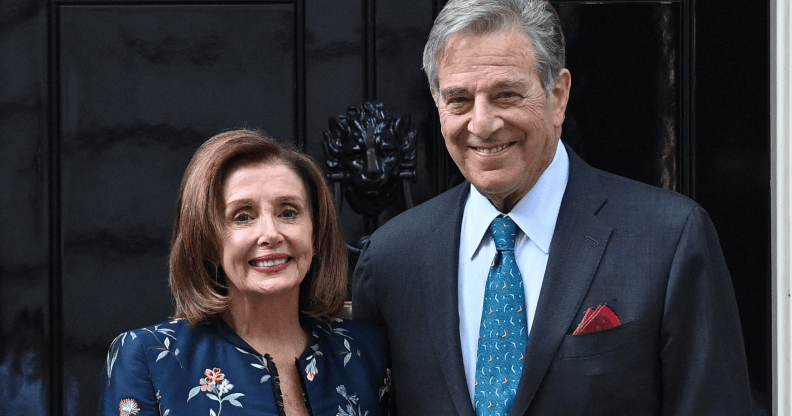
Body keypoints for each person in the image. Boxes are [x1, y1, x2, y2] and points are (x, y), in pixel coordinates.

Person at [352, 0, 752, 414]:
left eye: (506, 94)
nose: (482, 123)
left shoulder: (669, 240)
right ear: (437, 103)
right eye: (459, 100)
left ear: (557, 95)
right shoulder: (390, 260)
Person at [100, 129, 390, 416]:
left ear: (316, 234)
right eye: (243, 217)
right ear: (207, 243)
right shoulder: (146, 358)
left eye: (288, 212)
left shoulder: (368, 352)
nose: (270, 234)